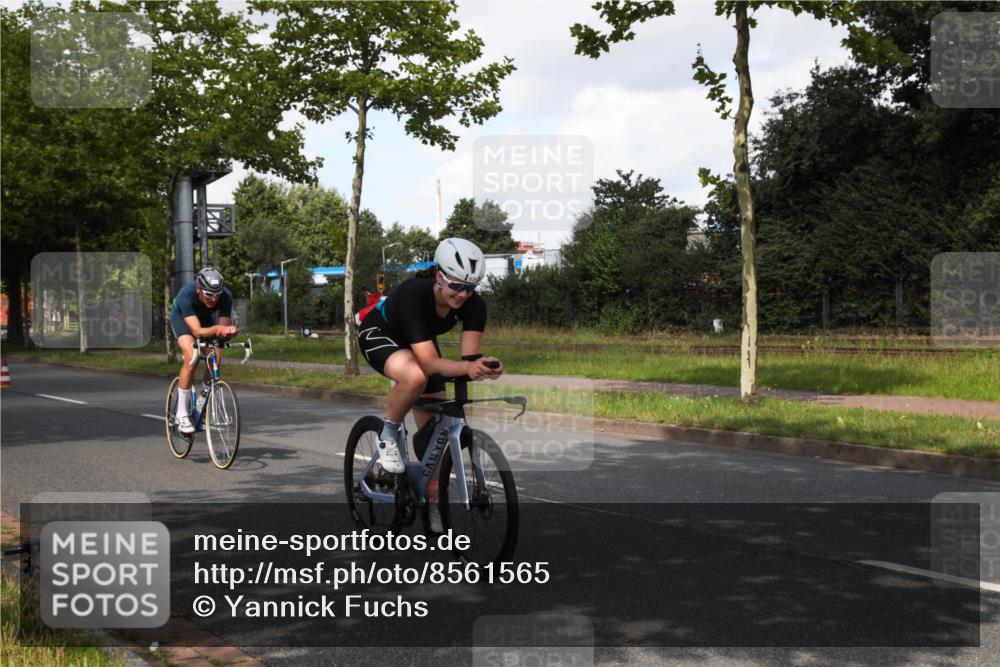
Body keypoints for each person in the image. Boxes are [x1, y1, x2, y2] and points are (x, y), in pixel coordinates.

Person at [356, 238, 502, 529]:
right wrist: (466, 367)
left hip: (420, 341)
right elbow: (431, 364)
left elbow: (468, 359)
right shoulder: (414, 295)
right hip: (381, 334)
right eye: (456, 285)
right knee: (415, 376)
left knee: (434, 433)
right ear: (439, 276)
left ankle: (431, 500)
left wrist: (483, 366)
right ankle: (388, 435)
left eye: (470, 287)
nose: (463, 294)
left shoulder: (474, 305)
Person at [169, 268, 238, 434]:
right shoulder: (186, 295)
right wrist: (218, 328)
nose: (214, 299)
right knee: (191, 355)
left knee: (216, 358)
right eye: (209, 294)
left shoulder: (225, 296)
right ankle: (181, 414)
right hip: (183, 319)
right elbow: (197, 331)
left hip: (204, 319)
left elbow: (222, 331)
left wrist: (229, 332)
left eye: (217, 295)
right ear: (199, 290)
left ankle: (203, 400)